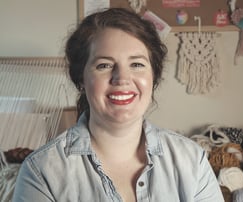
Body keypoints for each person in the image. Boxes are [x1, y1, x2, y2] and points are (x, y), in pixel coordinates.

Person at [13, 8, 224, 202]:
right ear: (81, 80)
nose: (122, 78)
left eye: (137, 64)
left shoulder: (192, 160)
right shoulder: (41, 172)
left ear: (154, 77)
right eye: (104, 65)